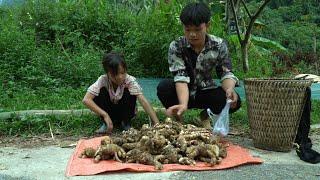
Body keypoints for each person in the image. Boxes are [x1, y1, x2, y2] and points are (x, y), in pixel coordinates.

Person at [157, 2, 241, 129]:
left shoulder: (218, 45)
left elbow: (226, 72)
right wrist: (183, 104)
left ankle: (205, 115)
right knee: (164, 87)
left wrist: (229, 89)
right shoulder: (176, 46)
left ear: (207, 25)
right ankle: (178, 117)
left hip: (206, 91)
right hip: (183, 92)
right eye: (188, 29)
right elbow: (180, 77)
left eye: (197, 29)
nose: (192, 34)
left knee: (234, 101)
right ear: (183, 27)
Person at [83, 52, 159, 134]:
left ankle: (126, 123)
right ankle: (106, 123)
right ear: (107, 73)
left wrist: (157, 123)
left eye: (122, 73)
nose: (120, 77)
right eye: (115, 74)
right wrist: (105, 115)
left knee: (130, 91)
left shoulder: (129, 80)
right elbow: (86, 100)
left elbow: (143, 101)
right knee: (99, 92)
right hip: (109, 111)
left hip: (125, 111)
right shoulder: (103, 80)